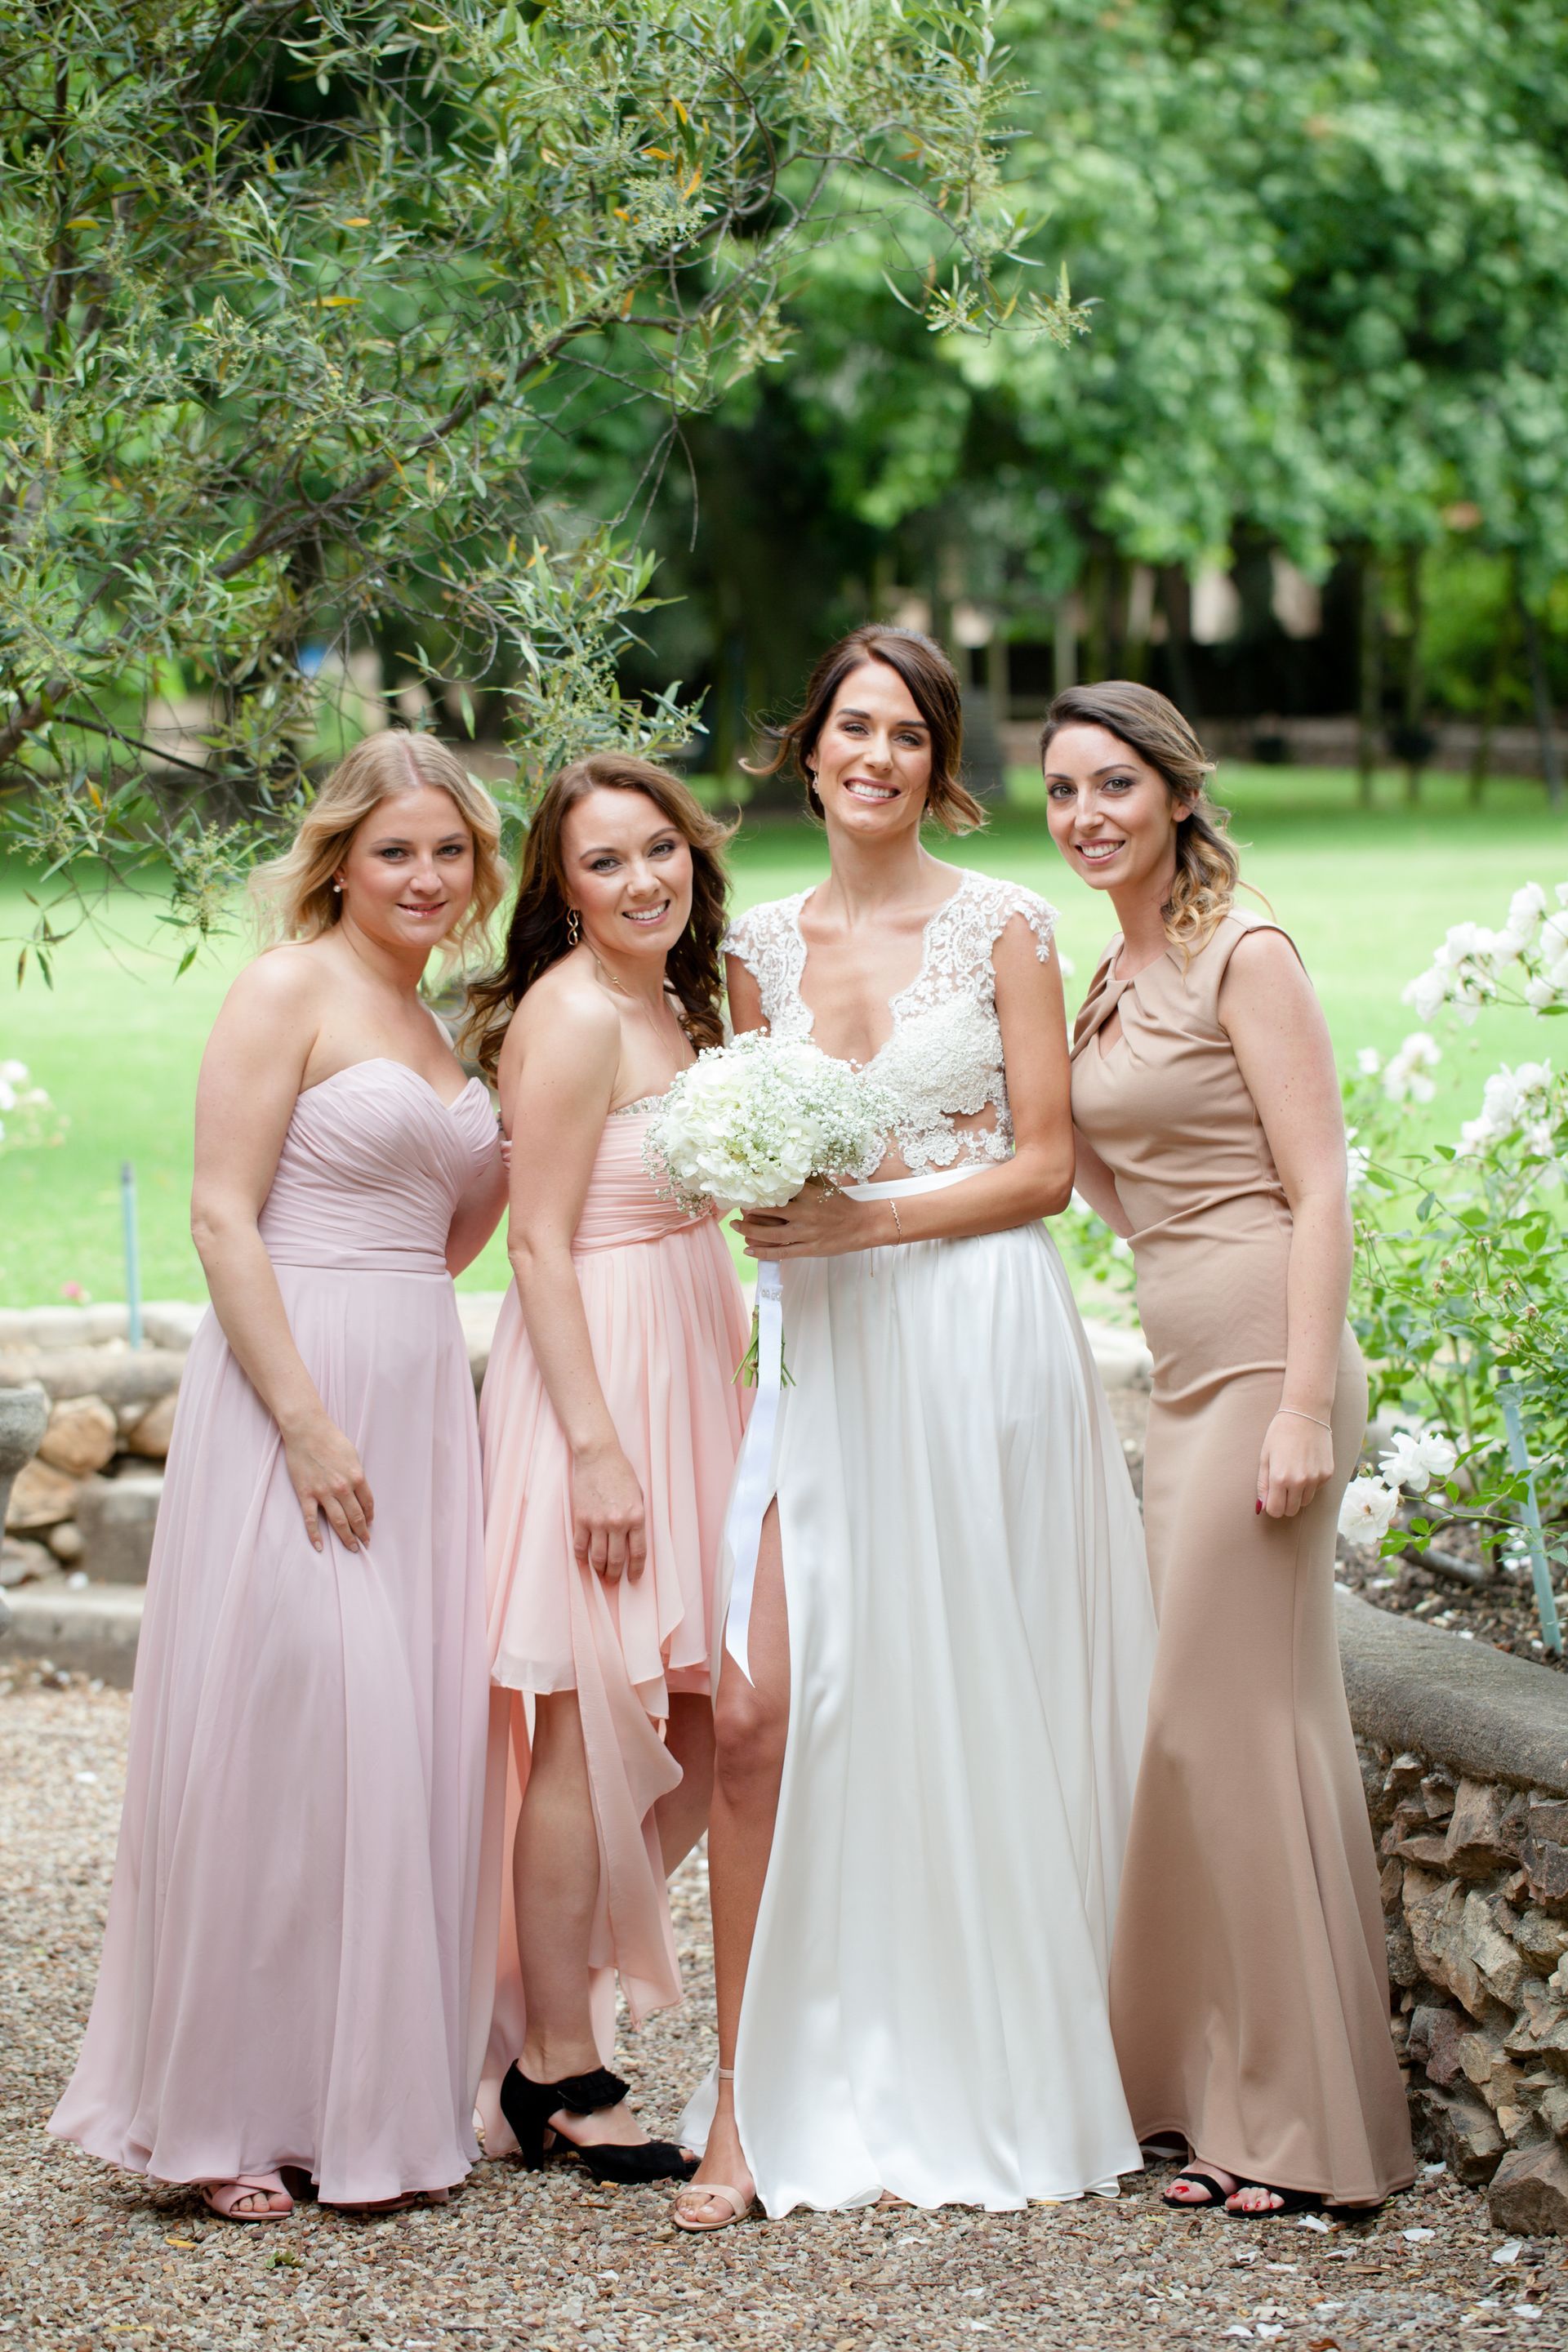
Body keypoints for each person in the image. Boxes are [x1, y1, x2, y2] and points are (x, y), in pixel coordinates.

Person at [673, 626, 1156, 2227]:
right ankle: (747, 2104)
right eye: (850, 728)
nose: (873, 757)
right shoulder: (754, 947)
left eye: (906, 734)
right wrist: (764, 1204)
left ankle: (980, 2064)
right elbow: (750, 1149)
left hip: (971, 1336)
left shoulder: (1008, 925)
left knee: (963, 1698)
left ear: (935, 765)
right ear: (807, 748)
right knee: (756, 1716)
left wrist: (860, 1231)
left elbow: (1038, 1168)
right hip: (818, 1360)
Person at [49, 732, 510, 2219]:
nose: (425, 877)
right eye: (396, 852)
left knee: (400, 1752)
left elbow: (446, 1236)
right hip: (292, 1391)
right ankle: (224, 2116)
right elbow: (219, 1218)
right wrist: (307, 1421)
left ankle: (358, 2100)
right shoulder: (287, 988)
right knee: (297, 1729)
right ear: (338, 860)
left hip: (420, 1387)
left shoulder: (443, 1023)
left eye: (450, 851)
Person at [1045, 680, 1414, 2217]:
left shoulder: (1240, 951)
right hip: (1192, 1362)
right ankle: (1204, 2085)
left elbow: (1322, 1185)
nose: (1087, 817)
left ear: (1179, 792)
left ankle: (1308, 2133)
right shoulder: (1115, 968)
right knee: (1201, 1725)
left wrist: (1305, 1408)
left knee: (1234, 1728)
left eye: (1116, 786)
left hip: (1270, 1357)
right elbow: (1097, 1174)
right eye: (1063, 792)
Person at [465, 755, 750, 2185]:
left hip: (695, 1363)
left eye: (659, 851)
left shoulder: (681, 1008)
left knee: (702, 1729)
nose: (645, 881)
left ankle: (534, 2017)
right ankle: (559, 2067)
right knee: (594, 1723)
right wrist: (593, 1447)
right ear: (561, 889)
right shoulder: (572, 1018)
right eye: (606, 863)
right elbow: (534, 1243)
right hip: (605, 1383)